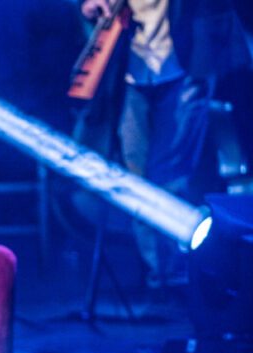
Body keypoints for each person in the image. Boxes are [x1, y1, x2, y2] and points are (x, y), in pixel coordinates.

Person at [77, 0, 251, 287]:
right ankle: (159, 274)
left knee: (169, 173)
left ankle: (174, 274)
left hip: (189, 61)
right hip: (131, 66)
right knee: (135, 176)